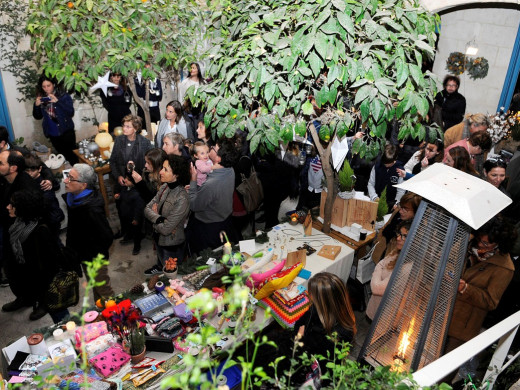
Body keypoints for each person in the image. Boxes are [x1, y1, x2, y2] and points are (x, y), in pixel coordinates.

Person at [252, 272, 357, 386]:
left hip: (315, 371)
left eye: (311, 294)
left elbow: (315, 359)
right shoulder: (318, 308)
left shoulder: (341, 332)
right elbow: (300, 323)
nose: (308, 296)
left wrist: (300, 337)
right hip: (303, 351)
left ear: (323, 301)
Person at [445, 216, 516, 355]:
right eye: (480, 240)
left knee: (442, 369)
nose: (480, 245)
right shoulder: (467, 242)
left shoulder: (505, 268)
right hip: (441, 311)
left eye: (486, 243)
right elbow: (447, 260)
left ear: (499, 244)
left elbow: (490, 301)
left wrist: (466, 289)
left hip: (461, 327)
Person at [2, 190, 66, 321]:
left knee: (60, 317)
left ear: (23, 208)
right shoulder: (17, 225)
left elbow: (50, 267)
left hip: (45, 285)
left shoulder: (40, 231)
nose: (8, 207)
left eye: (12, 205)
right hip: (31, 280)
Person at [63, 164, 114, 301]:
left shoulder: (91, 209)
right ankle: (100, 311)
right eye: (67, 176)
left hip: (93, 257)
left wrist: (95, 258)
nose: (65, 180)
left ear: (83, 185)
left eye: (70, 178)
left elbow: (107, 236)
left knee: (104, 290)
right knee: (95, 286)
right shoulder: (75, 199)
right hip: (83, 254)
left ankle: (115, 315)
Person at [187, 139, 239, 254]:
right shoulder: (230, 169)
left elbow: (194, 205)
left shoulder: (211, 184)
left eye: (213, 148)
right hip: (225, 221)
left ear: (218, 158)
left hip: (209, 228)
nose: (210, 148)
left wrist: (193, 181)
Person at [143, 155, 191, 275]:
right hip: (158, 239)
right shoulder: (164, 187)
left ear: (176, 175)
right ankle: (160, 267)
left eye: (165, 169)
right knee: (162, 262)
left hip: (172, 244)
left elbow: (166, 229)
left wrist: (154, 217)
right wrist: (159, 218)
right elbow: (147, 208)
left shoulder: (182, 198)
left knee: (172, 275)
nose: (160, 172)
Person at [109, 115, 152, 240]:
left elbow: (148, 166)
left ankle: (138, 236)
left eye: (128, 126)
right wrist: (118, 177)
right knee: (121, 209)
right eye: (124, 125)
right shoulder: (119, 140)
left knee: (136, 211)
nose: (124, 128)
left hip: (138, 184)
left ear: (136, 128)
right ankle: (125, 232)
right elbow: (113, 161)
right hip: (121, 182)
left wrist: (135, 182)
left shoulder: (144, 143)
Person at [366, 221, 411, 321]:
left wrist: (378, 272)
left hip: (385, 314)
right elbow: (382, 262)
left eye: (405, 236)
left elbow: (376, 288)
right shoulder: (399, 251)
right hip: (378, 305)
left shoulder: (406, 268)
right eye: (399, 234)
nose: (398, 238)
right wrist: (380, 270)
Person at [32, 75, 78, 165]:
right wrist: (36, 105)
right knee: (62, 156)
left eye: (48, 85)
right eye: (43, 86)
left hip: (66, 131)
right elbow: (37, 116)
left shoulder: (63, 96)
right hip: (52, 133)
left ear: (53, 84)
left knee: (72, 156)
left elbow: (70, 112)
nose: (46, 88)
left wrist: (57, 102)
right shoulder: (41, 98)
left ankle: (79, 175)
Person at [24, 154, 64, 244]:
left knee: (55, 243)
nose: (29, 173)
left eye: (33, 170)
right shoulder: (29, 180)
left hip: (50, 219)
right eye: (27, 171)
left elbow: (43, 203)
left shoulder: (44, 184)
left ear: (40, 169)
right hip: (46, 218)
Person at [367, 144, 405, 210]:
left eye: (389, 163)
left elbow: (401, 190)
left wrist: (396, 202)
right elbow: (370, 184)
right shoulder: (377, 167)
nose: (386, 165)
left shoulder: (400, 170)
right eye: (385, 163)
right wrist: (374, 197)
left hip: (391, 204)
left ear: (394, 159)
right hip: (375, 200)